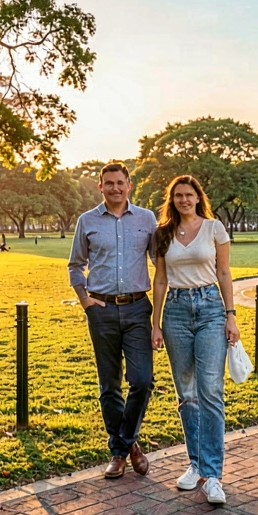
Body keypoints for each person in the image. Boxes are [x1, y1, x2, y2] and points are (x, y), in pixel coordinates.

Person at [150, 175, 237, 505]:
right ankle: (195, 464)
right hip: (175, 311)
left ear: (198, 197)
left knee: (210, 390)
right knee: (186, 393)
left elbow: (225, 273)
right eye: (177, 196)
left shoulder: (215, 229)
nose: (183, 200)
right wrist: (155, 324)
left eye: (188, 195)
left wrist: (231, 315)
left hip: (211, 309)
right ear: (171, 200)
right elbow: (159, 279)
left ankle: (213, 474)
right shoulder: (163, 234)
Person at [69, 162, 158, 480]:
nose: (115, 188)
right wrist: (85, 301)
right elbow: (75, 265)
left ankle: (123, 446)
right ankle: (123, 452)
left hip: (137, 309)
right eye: (109, 183)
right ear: (100, 187)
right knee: (109, 385)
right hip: (102, 309)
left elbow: (161, 261)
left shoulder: (147, 219)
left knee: (143, 380)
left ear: (129, 185)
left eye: (120, 183)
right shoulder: (87, 221)